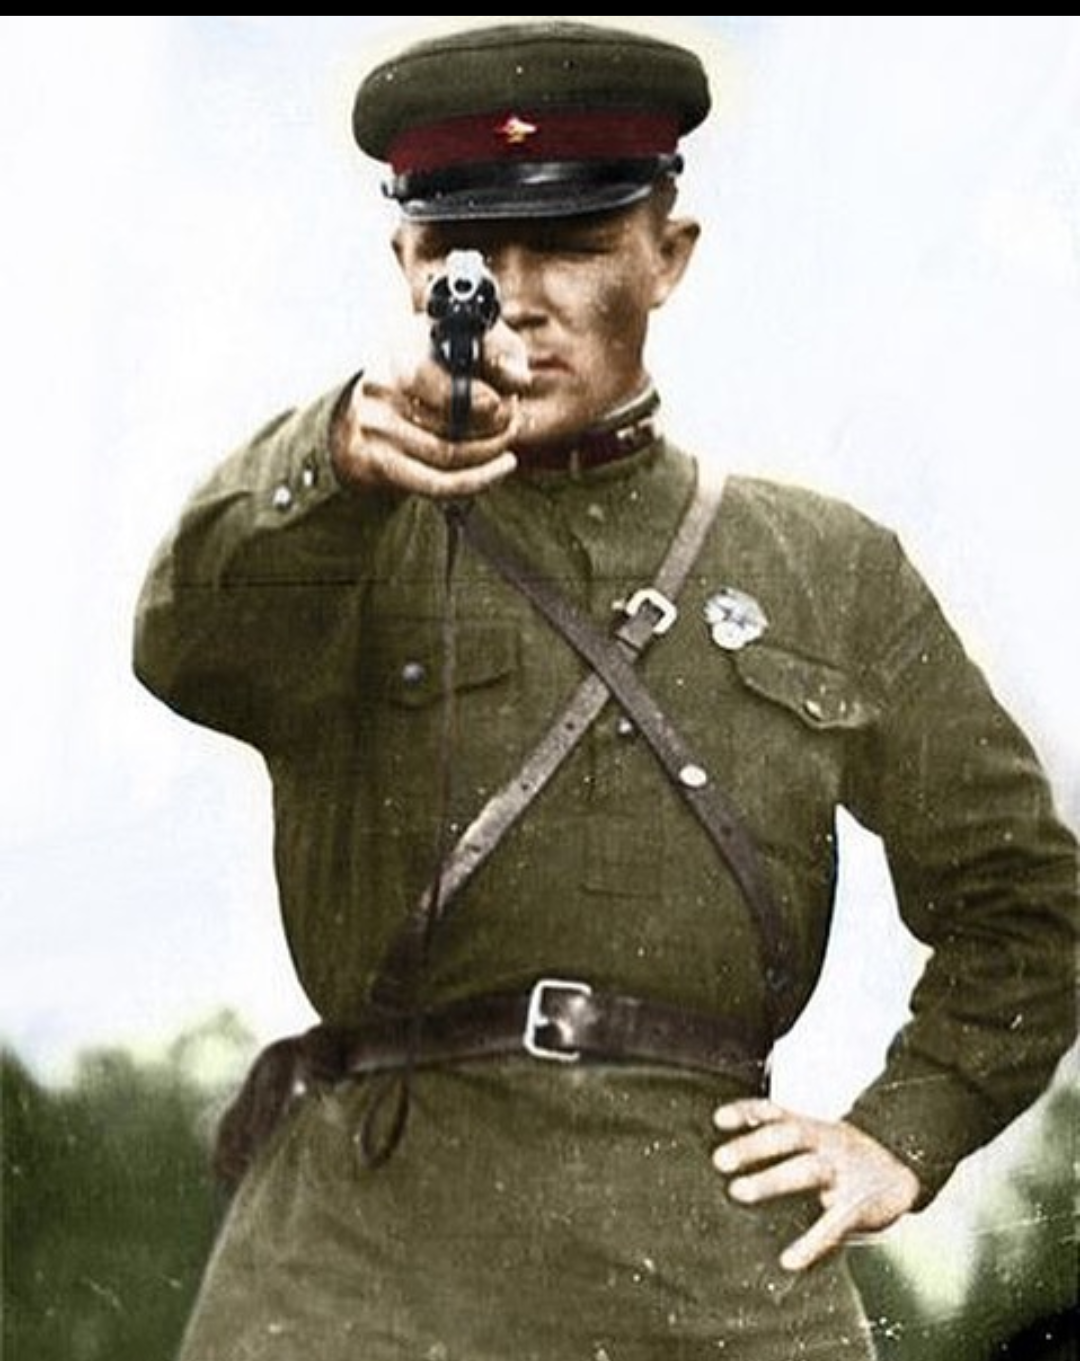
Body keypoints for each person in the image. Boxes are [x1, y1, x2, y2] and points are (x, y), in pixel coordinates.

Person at [133, 18, 1077, 1361]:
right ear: (407, 265)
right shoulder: (341, 528)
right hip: (366, 1265)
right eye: (465, 256)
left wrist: (905, 1132)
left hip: (711, 1268)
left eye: (571, 247)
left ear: (666, 255)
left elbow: (1026, 901)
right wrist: (332, 454)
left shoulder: (825, 566)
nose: (515, 300)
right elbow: (183, 643)